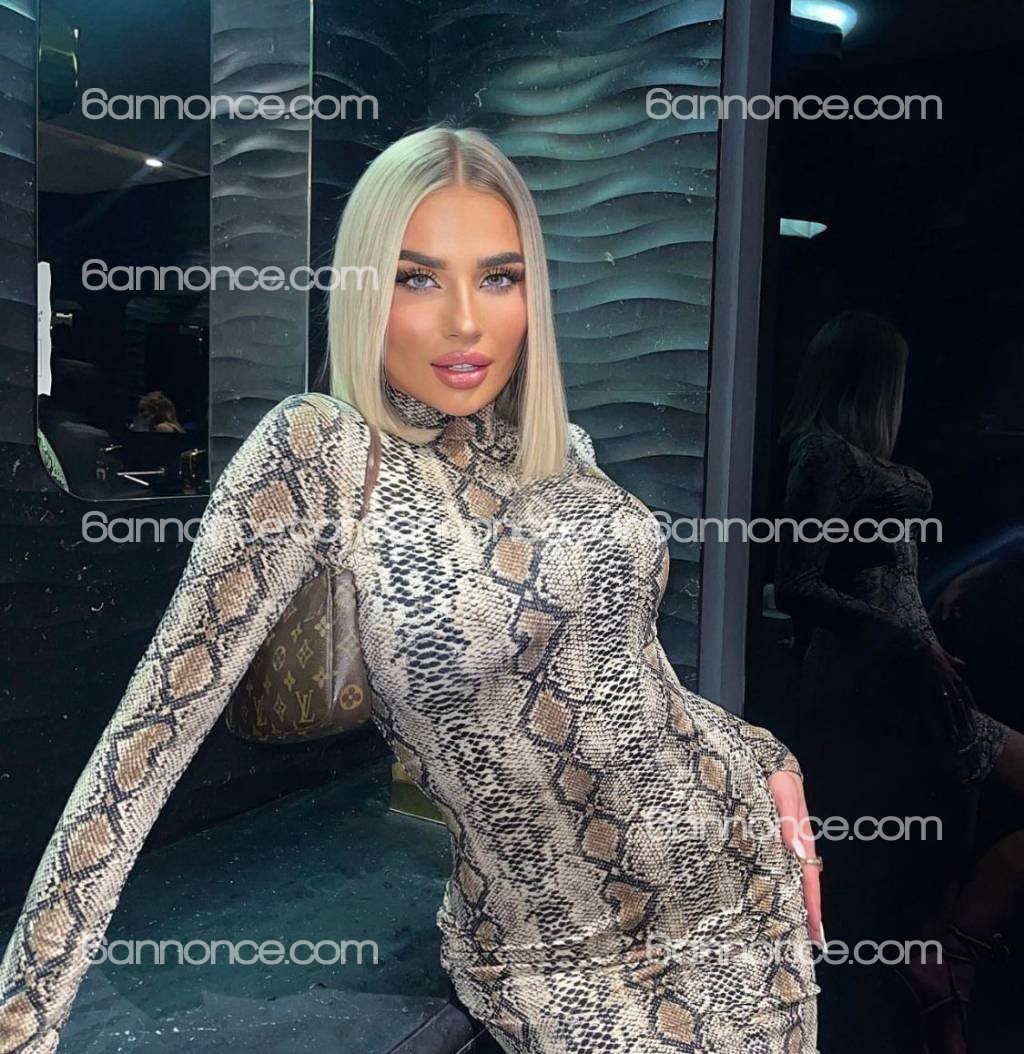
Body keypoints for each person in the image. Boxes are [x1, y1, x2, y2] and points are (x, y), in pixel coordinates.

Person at [0, 124, 822, 1054]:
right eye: (417, 278)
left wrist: (765, 755)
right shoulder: (321, 452)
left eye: (499, 278)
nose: (466, 321)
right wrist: (22, 1020)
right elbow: (139, 753)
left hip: (745, 890)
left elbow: (635, 674)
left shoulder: (562, 450)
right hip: (570, 966)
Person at [774, 310, 1023, 1054]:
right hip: (880, 700)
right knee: (912, 881)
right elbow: (798, 583)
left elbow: (894, 584)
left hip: (922, 691)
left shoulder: (848, 456)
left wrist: (929, 634)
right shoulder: (822, 453)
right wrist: (906, 644)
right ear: (870, 378)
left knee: (926, 882)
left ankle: (944, 964)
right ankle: (940, 972)